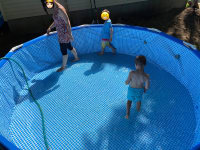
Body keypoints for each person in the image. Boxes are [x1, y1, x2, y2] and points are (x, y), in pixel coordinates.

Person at [46, 0, 79, 72]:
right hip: (61, 33)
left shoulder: (60, 9)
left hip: (64, 33)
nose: (47, 4)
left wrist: (70, 34)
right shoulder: (55, 8)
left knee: (63, 49)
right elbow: (56, 21)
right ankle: (76, 58)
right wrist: (50, 27)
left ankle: (63, 67)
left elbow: (67, 22)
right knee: (69, 46)